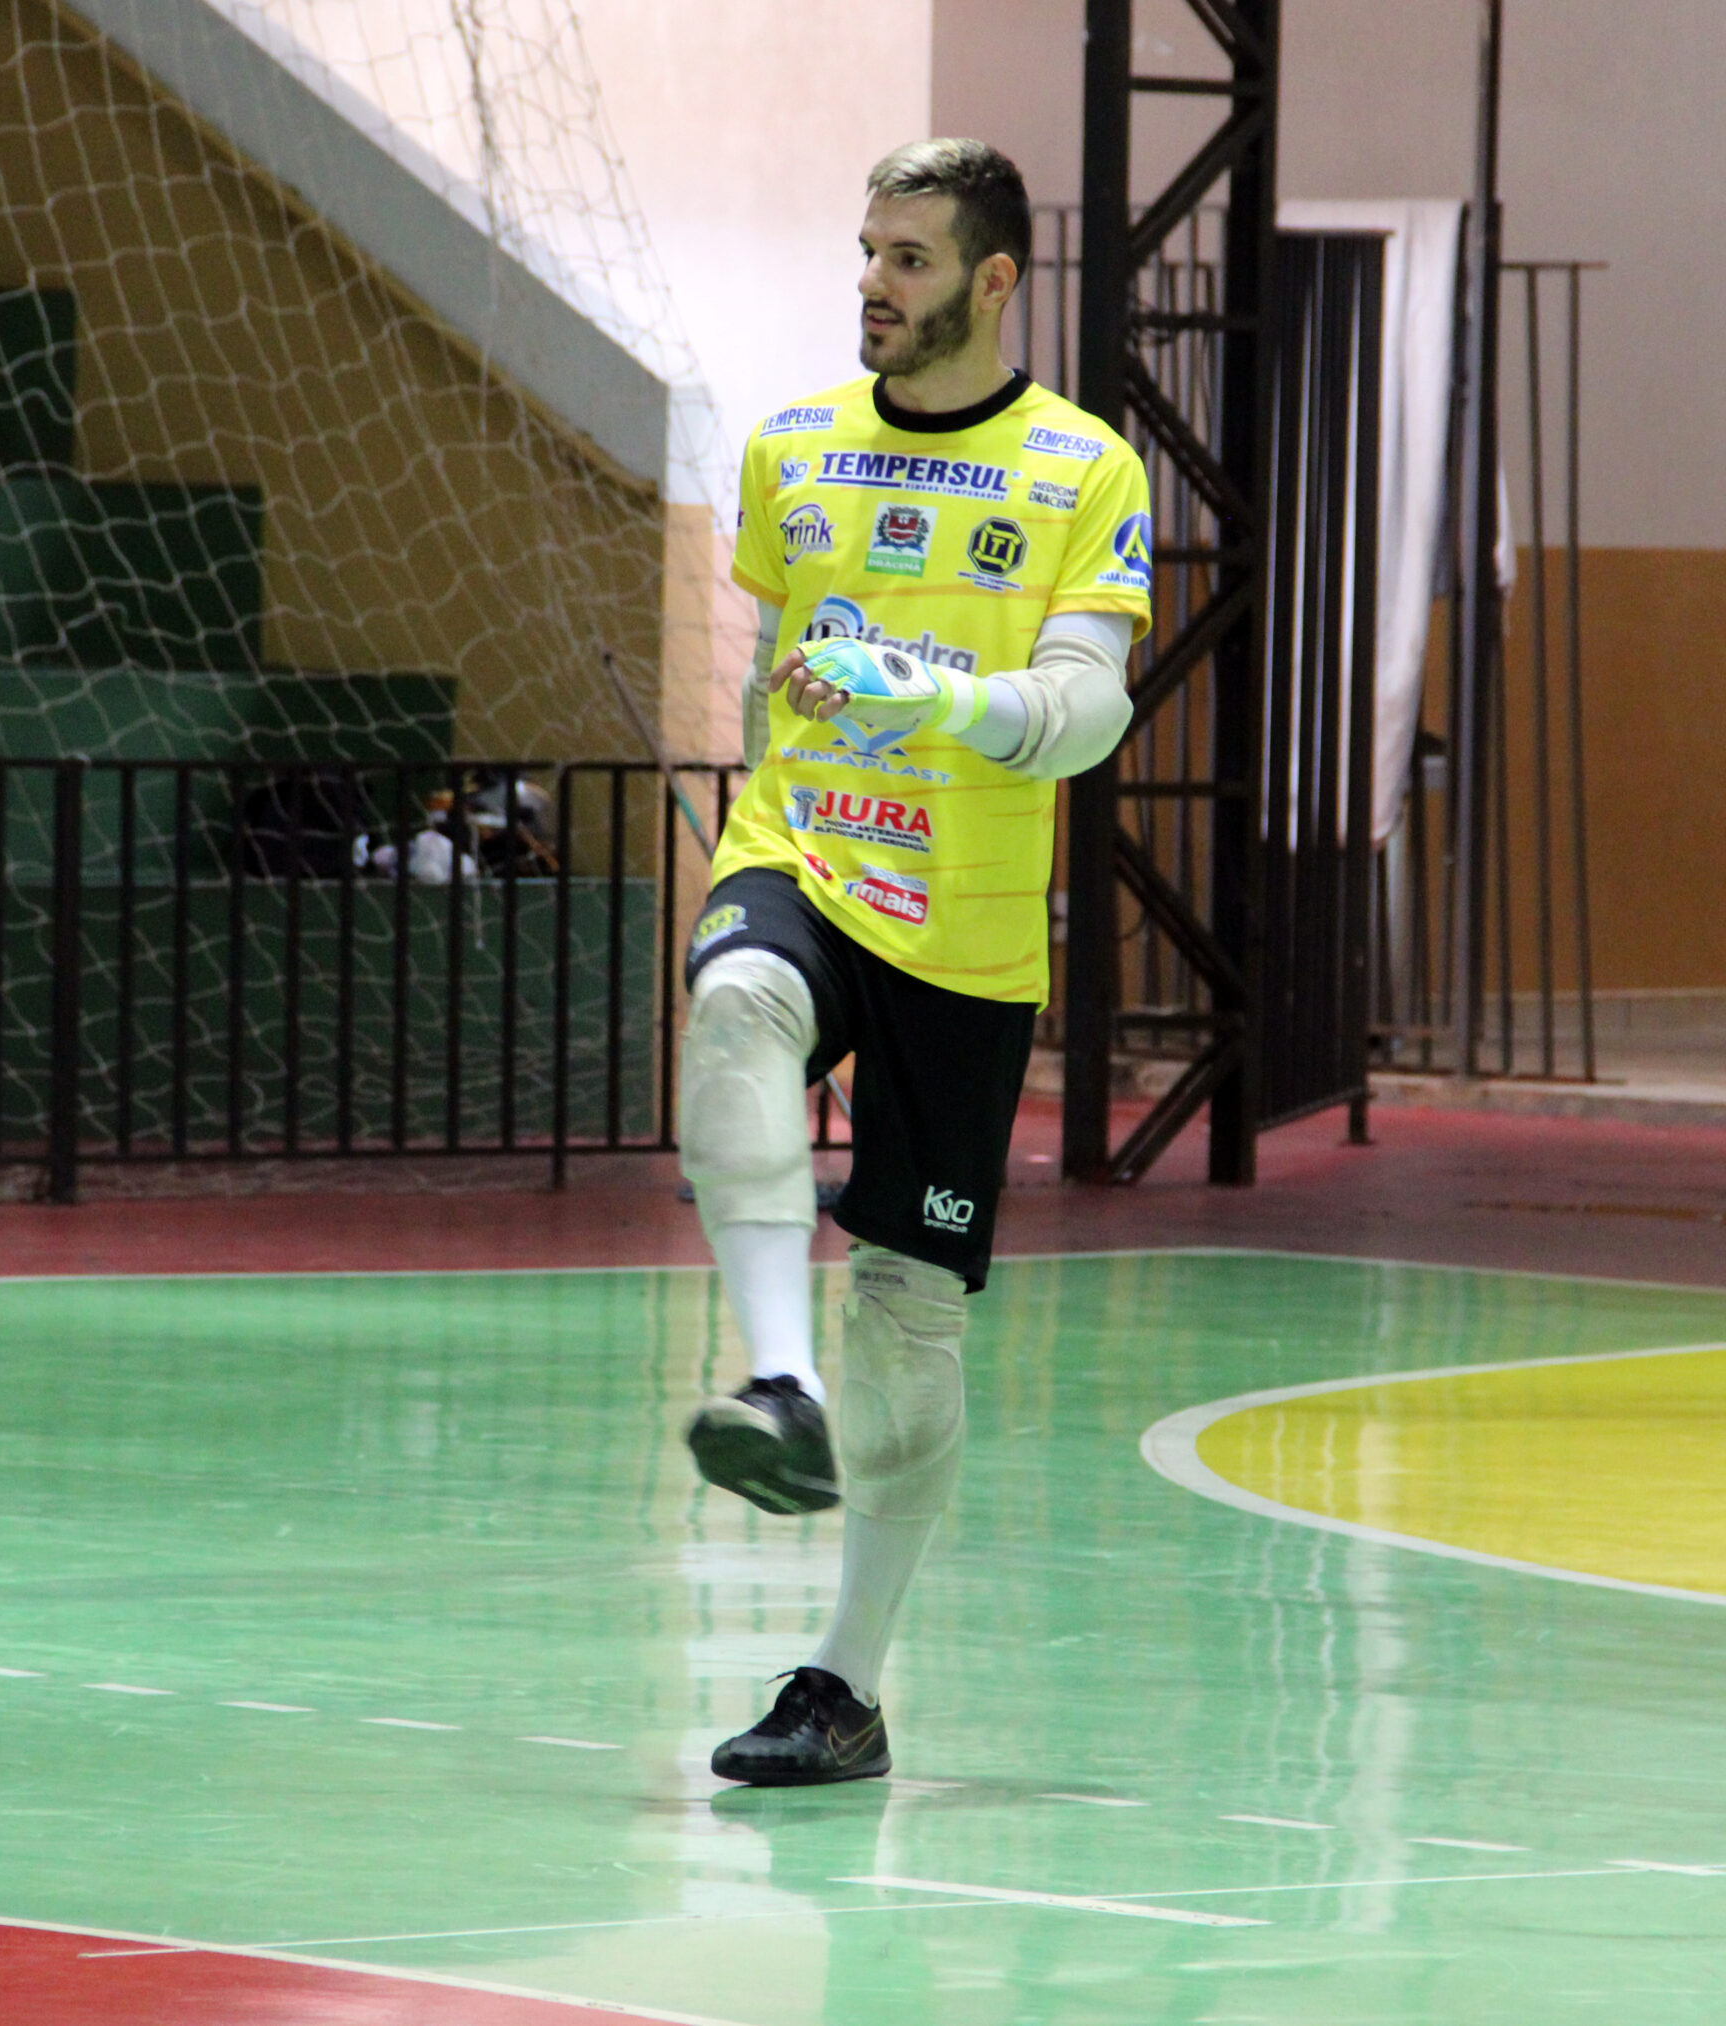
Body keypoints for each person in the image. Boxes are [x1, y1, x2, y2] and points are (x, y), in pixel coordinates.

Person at [682, 138, 1152, 1785]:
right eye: (867, 250)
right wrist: (799, 732)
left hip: (965, 925)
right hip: (803, 853)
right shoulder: (792, 449)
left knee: (915, 1315)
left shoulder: (1083, 470)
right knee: (733, 1002)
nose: (873, 282)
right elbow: (772, 671)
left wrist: (935, 697)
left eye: (909, 258)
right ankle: (773, 1378)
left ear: (995, 279)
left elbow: (1092, 708)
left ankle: (846, 1684)